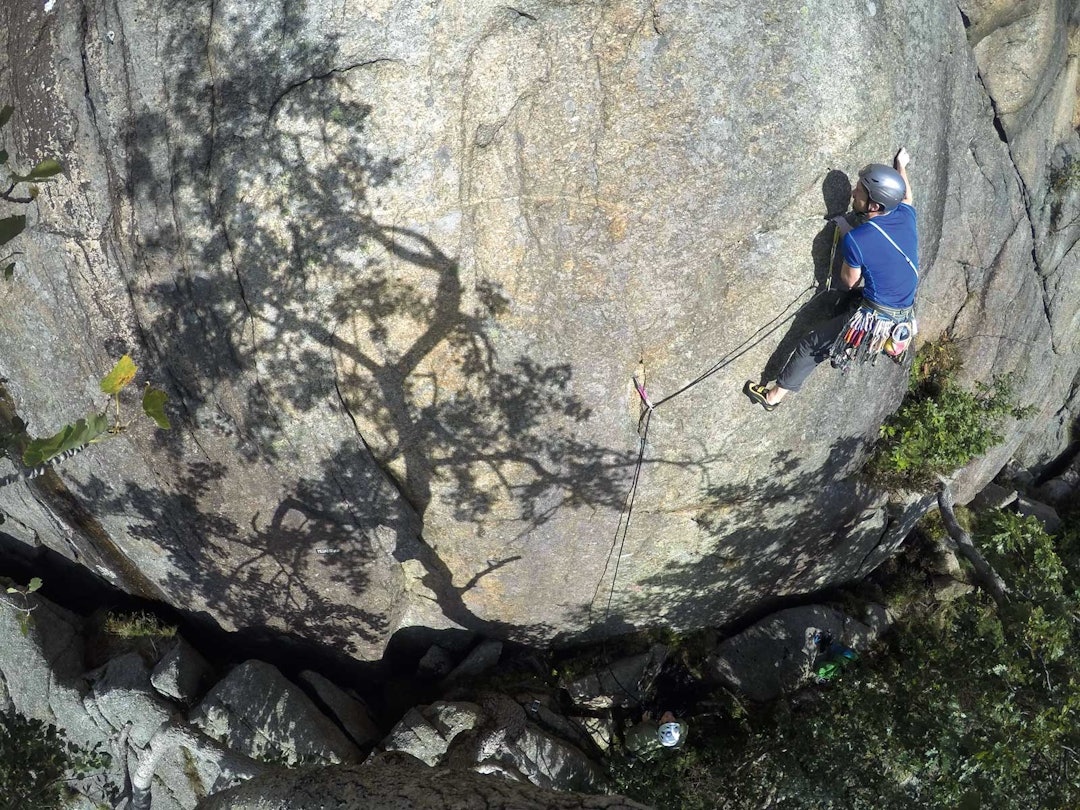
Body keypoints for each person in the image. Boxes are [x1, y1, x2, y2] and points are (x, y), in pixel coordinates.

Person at [745, 147, 918, 410]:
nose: (852, 193)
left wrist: (848, 233)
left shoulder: (858, 240)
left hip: (877, 320)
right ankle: (889, 342)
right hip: (903, 309)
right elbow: (906, 196)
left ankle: (772, 398)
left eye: (858, 191)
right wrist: (901, 166)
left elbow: (848, 282)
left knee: (811, 345)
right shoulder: (906, 216)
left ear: (873, 205)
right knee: (854, 301)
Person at [623, 710, 688, 760]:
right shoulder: (681, 728)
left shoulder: (647, 733)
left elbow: (629, 744)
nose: (670, 716)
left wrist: (645, 723)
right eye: (673, 722)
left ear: (660, 723)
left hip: (637, 748)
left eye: (667, 721)